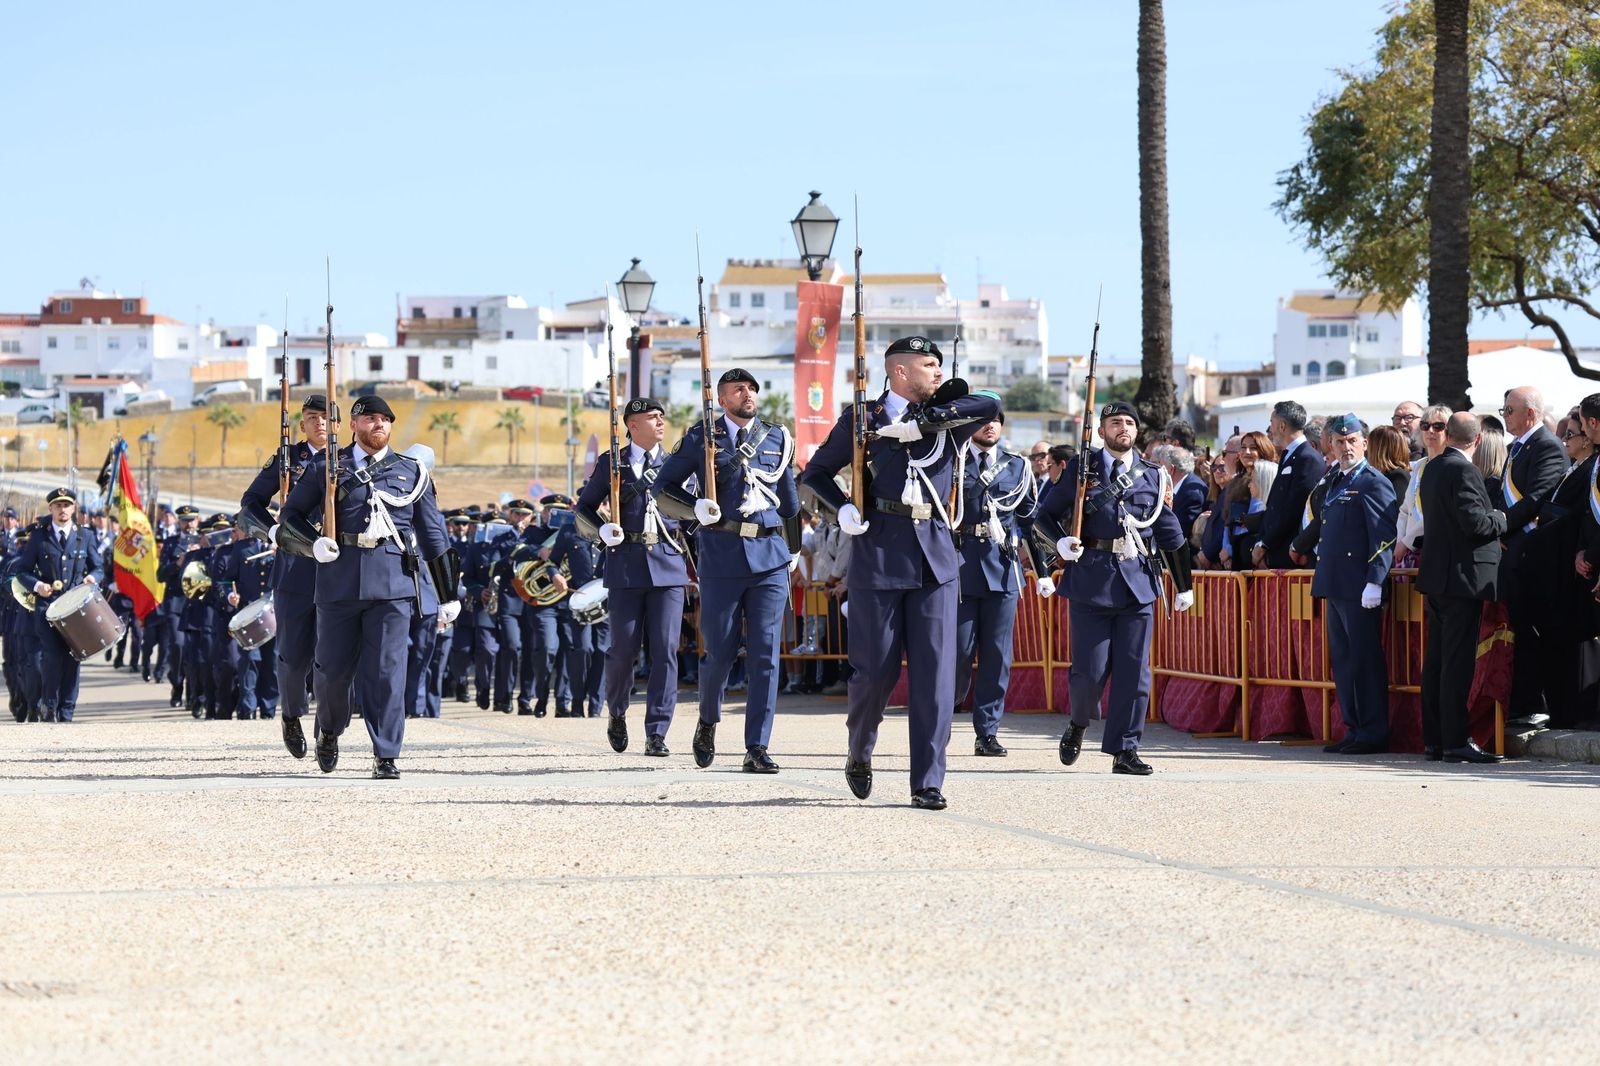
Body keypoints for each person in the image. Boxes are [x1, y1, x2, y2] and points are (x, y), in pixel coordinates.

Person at [801, 335, 1000, 810]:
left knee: (936, 675)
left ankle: (927, 781)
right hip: (880, 551)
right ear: (900, 372)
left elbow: (991, 403)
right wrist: (843, 507)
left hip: (935, 554)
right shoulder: (864, 420)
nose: (938, 372)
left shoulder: (948, 417)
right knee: (874, 672)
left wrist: (925, 421)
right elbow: (816, 474)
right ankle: (859, 750)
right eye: (928, 365)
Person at [277, 395, 456, 779]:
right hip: (338, 582)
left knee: (387, 672)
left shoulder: (412, 471)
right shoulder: (328, 466)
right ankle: (330, 728)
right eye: (370, 418)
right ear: (354, 425)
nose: (379, 424)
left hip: (393, 585)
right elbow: (290, 516)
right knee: (331, 674)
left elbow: (433, 535)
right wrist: (313, 543)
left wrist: (448, 593)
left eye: (385, 420)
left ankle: (386, 754)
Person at [1035, 401, 1194, 775]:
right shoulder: (1081, 468)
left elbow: (1168, 530)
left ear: (1137, 431)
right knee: (1089, 673)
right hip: (1091, 579)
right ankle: (1078, 721)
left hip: (1137, 583)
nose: (1122, 427)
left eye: (1128, 422)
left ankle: (1125, 749)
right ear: (1102, 430)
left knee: (1134, 672)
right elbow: (1043, 516)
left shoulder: (1154, 474)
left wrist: (1184, 584)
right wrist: (1058, 543)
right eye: (1114, 422)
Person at [656, 368, 800, 773]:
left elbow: (788, 503)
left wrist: (794, 549)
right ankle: (707, 720)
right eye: (738, 388)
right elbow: (662, 488)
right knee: (719, 653)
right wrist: (693, 509)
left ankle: (757, 746)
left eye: (753, 387)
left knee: (765, 655)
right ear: (722, 398)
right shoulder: (703, 438)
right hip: (721, 554)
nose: (748, 393)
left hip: (770, 556)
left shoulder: (778, 437)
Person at [575, 397, 690, 755]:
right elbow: (583, 509)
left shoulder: (675, 464)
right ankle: (618, 711)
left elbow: (692, 513)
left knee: (666, 650)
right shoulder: (614, 463)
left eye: (662, 416)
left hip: (669, 565)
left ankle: (657, 731)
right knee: (622, 650)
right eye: (652, 417)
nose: (660, 422)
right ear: (632, 424)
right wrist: (601, 531)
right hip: (625, 565)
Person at [238, 393, 330, 756]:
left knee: (334, 658)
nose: (319, 423)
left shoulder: (352, 460)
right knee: (292, 656)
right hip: (294, 566)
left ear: (338, 424)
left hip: (339, 568)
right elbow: (250, 504)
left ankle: (329, 729)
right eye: (311, 417)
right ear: (302, 424)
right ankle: (291, 715)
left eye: (325, 417)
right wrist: (273, 532)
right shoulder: (288, 459)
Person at [1418, 413, 1507, 763]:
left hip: (1439, 578)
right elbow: (1475, 524)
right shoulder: (1464, 470)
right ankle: (1455, 740)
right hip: (1462, 579)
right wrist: (1500, 518)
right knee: (1455, 665)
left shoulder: (1433, 468)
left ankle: (1435, 740)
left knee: (1437, 663)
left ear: (1448, 434)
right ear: (1479, 439)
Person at [952, 411, 1039, 757]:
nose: (989, 425)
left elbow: (1030, 517)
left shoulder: (1017, 466)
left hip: (1002, 568)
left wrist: (1045, 563)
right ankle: (947, 710)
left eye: (996, 420)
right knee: (957, 651)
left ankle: (987, 732)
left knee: (997, 655)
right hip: (961, 566)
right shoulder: (954, 461)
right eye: (982, 419)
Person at [1312, 415, 1399, 754]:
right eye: (1339, 442)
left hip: (1360, 587)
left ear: (1364, 443)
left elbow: (1383, 535)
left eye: (1352, 441)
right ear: (1330, 446)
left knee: (1364, 660)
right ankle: (1354, 728)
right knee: (1345, 661)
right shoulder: (1336, 479)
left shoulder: (1372, 481)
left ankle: (1372, 732)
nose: (1346, 447)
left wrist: (1375, 580)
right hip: (1336, 583)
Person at [1494, 386, 1569, 731]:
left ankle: (1535, 704)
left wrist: (1501, 527)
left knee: (1533, 631)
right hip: (1513, 553)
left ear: (1530, 414)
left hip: (1532, 554)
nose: (1504, 415)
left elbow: (1537, 497)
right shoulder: (1516, 448)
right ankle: (1520, 701)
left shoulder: (1548, 447)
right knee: (1517, 630)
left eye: (1509, 410)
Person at [16, 488, 104, 723]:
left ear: (73, 508)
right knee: (52, 657)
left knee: (73, 659)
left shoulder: (85, 536)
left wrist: (93, 577)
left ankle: (67, 711)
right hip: (48, 608)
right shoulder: (39, 537)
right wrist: (37, 586)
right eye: (58, 506)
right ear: (51, 509)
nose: (62, 510)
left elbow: (98, 567)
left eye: (67, 505)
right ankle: (49, 705)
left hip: (76, 610)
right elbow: (21, 570)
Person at [1255, 400, 1327, 569]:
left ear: (1282, 426)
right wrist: (1261, 543)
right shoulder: (1290, 455)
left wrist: (1266, 544)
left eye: (1271, 423)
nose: (1270, 430)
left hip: (1288, 554)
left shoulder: (1307, 458)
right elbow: (1275, 505)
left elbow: (1294, 509)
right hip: (1275, 550)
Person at [1397, 404, 1452, 561]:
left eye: (1438, 426)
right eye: (1425, 425)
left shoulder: (1452, 466)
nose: (1430, 431)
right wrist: (1399, 541)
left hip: (1436, 552)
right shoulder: (1419, 465)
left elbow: (1437, 513)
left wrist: (1407, 542)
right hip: (1408, 555)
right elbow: (1405, 510)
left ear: (1450, 431)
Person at [1367, 425, 1414, 504]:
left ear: (1378, 450)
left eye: (1370, 445)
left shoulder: (1398, 476)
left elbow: (1399, 512)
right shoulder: (1377, 475)